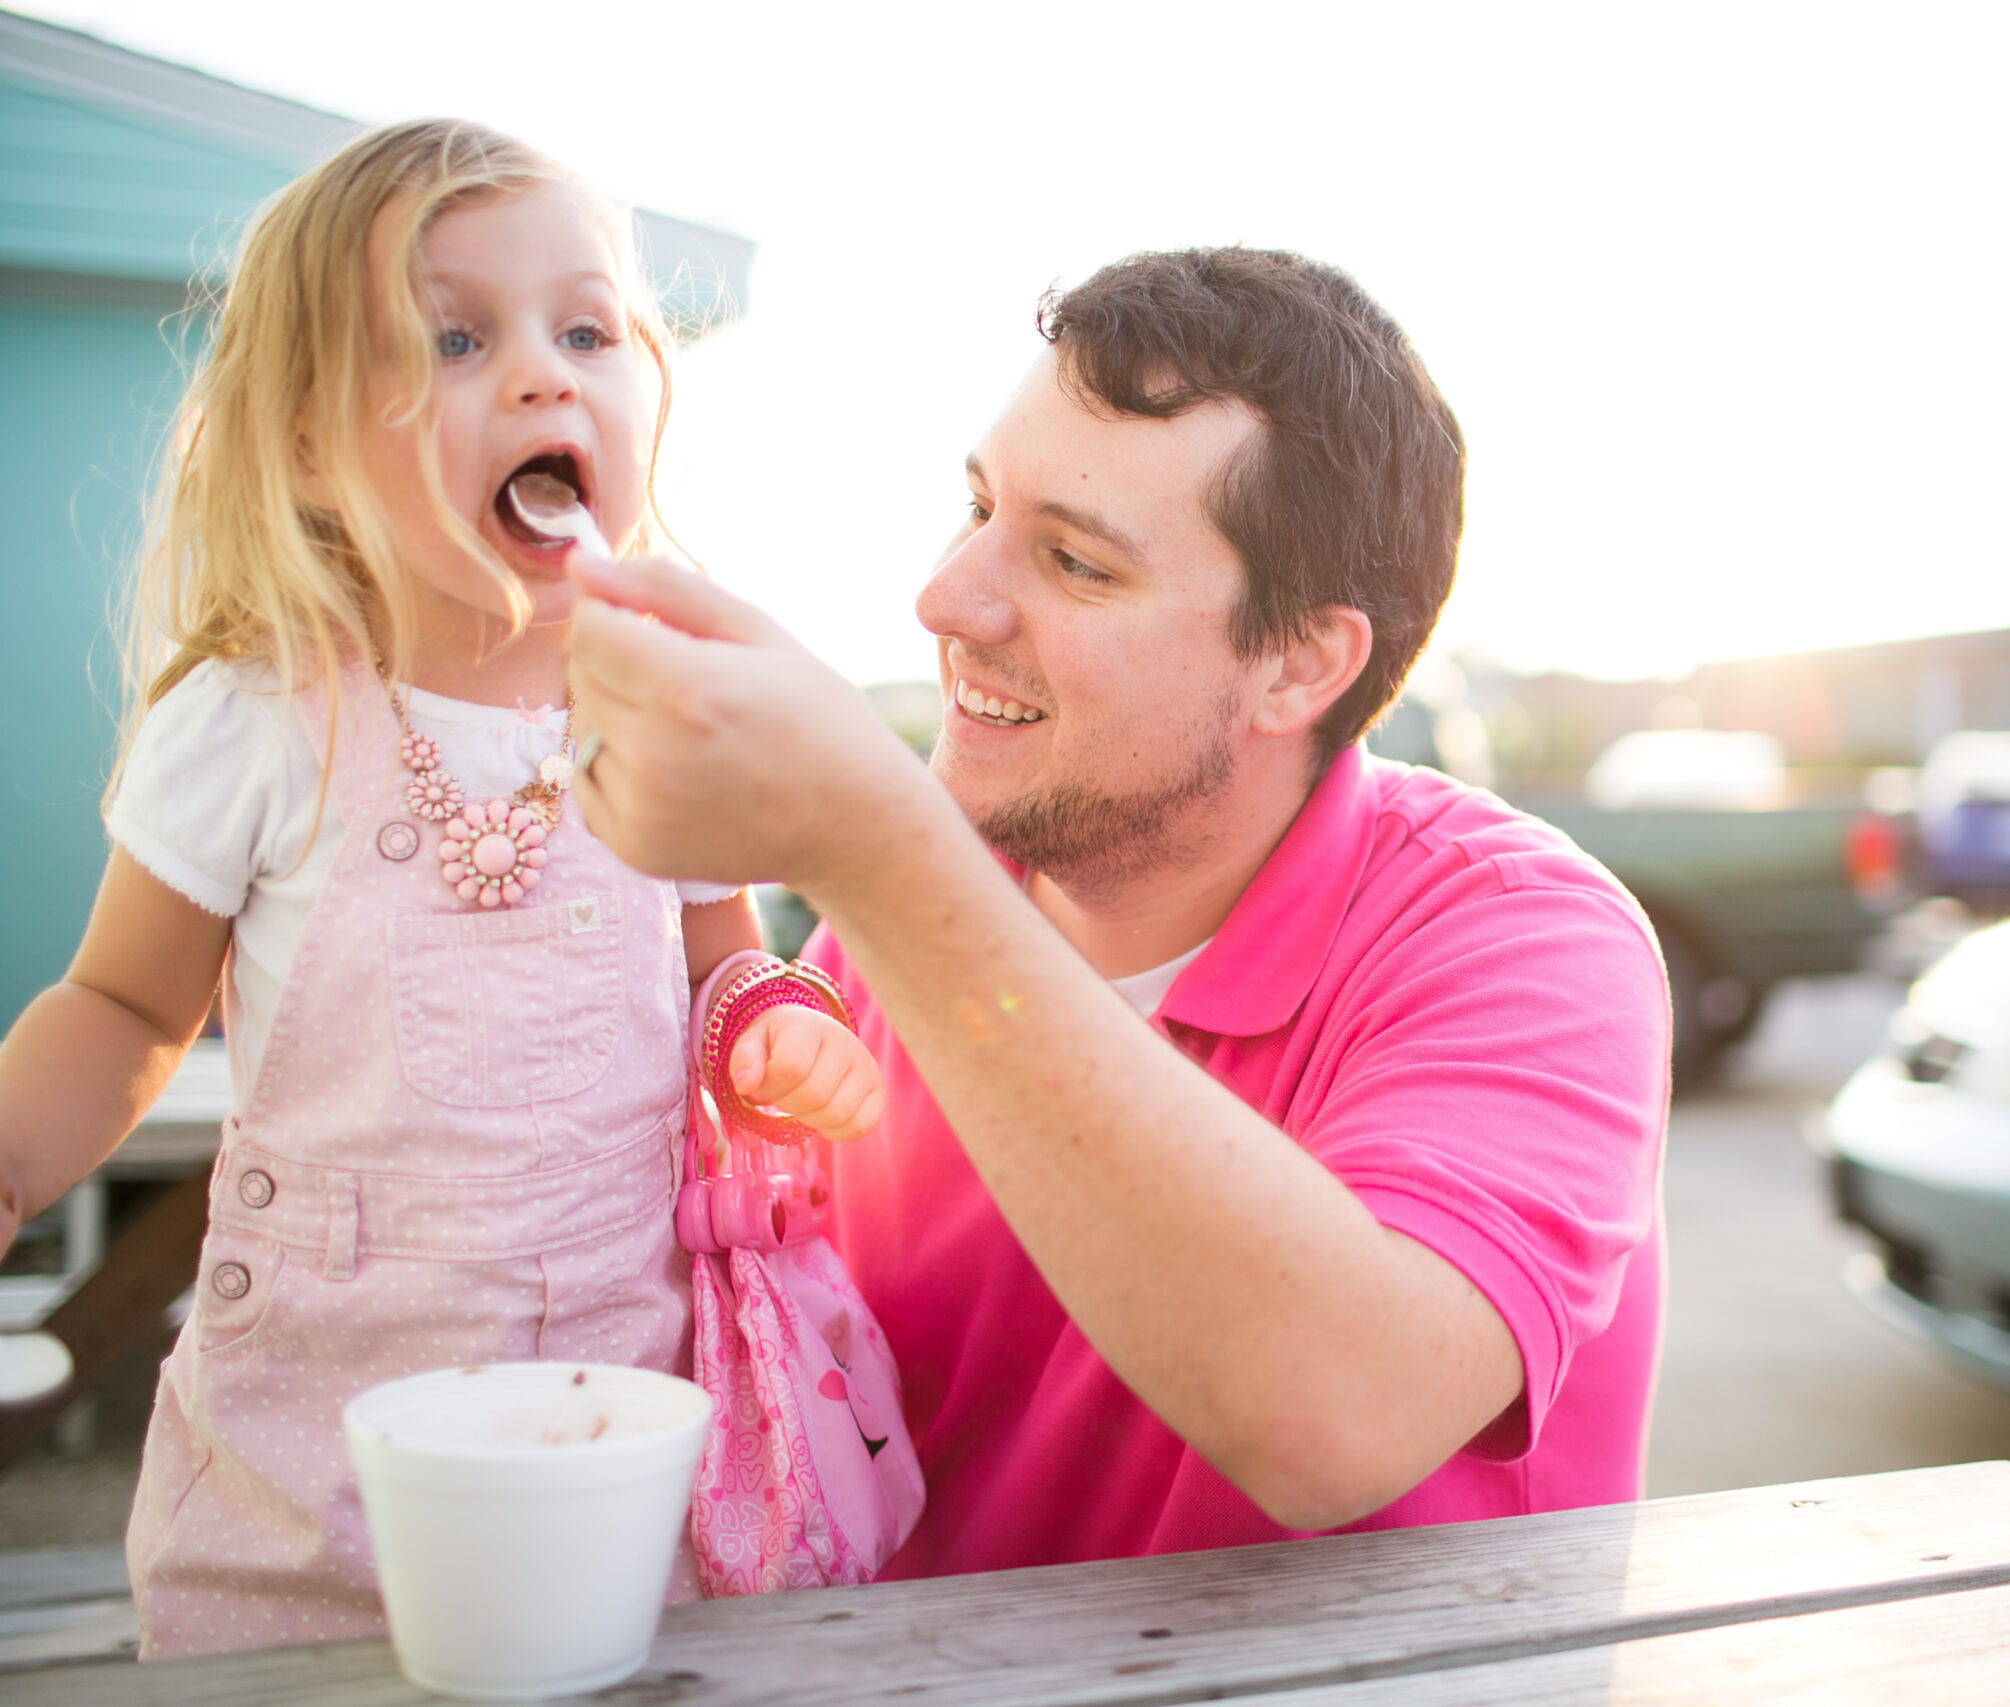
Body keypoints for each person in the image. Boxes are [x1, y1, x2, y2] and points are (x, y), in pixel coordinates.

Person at [567, 248, 1670, 1575]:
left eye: (1074, 563)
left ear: (1299, 663)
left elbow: (1338, 1417)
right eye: (975, 508)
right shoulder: (895, 934)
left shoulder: (1522, 939)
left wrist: (873, 849)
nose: (948, 600)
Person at [0, 120, 884, 1658]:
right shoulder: (261, 715)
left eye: (588, 330)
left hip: (615, 1422)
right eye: (456, 337)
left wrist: (772, 1028)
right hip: (311, 1437)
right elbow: (128, 1001)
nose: (548, 374)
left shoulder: (673, 707)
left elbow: (723, 967)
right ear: (299, 442)